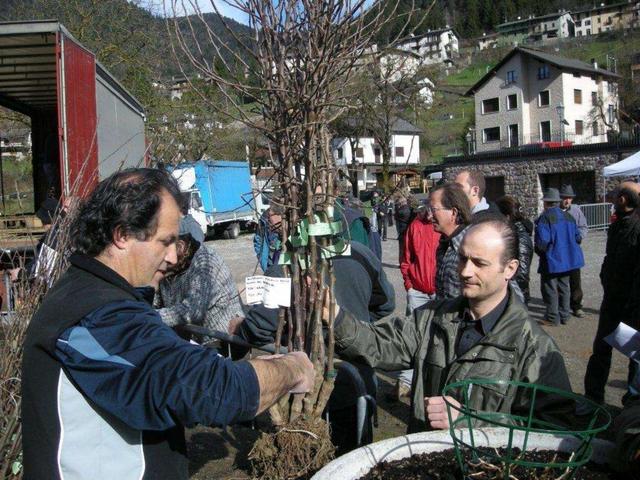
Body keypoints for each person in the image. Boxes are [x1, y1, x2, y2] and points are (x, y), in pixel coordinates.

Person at [21, 168, 314, 480]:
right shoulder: (95, 316)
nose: (174, 256)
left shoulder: (95, 297)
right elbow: (207, 389)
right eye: (166, 241)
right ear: (122, 235)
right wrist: (292, 368)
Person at [333, 219, 573, 433]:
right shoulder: (432, 318)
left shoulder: (536, 349)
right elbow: (379, 344)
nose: (466, 271)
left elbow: (554, 429)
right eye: (462, 258)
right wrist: (335, 317)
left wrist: (471, 422)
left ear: (509, 269)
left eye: (479, 263)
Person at [582, 182, 640, 410]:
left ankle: (632, 406)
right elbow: (610, 259)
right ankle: (593, 397)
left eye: (614, 194)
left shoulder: (636, 227)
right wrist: (606, 279)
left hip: (631, 304)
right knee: (601, 351)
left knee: (635, 356)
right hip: (612, 300)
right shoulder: (617, 226)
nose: (610, 198)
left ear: (623, 199)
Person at [154, 215, 243, 335]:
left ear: (181, 246)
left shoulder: (205, 261)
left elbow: (193, 310)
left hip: (220, 339)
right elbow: (157, 299)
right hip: (189, 337)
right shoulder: (170, 262)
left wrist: (151, 316)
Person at [396, 201, 440, 398]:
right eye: (430, 209)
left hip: (440, 291)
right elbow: (406, 258)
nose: (431, 214)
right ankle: (405, 380)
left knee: (438, 337)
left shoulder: (444, 227)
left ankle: (433, 382)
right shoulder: (415, 226)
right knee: (411, 335)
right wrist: (409, 285)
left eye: (436, 210)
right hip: (418, 291)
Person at [534, 188, 585, 327]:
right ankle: (565, 315)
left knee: (550, 288)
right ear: (557, 202)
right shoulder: (569, 217)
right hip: (568, 260)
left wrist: (539, 251)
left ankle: (552, 317)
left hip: (552, 259)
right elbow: (578, 237)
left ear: (546, 203)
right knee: (564, 288)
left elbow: (543, 241)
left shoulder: (545, 217)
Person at [429, 183, 472, 299]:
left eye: (434, 210)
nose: (429, 216)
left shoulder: (474, 245)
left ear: (453, 212)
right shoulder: (444, 244)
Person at [496, 196, 534, 305]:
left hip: (516, 294)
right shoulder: (511, 232)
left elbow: (522, 272)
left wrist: (516, 295)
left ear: (507, 216)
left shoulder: (520, 236)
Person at [559, 185, 588, 318]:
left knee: (575, 280)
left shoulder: (576, 211)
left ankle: (576, 306)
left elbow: (583, 226)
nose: (567, 200)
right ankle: (563, 307)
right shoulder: (555, 211)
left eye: (569, 198)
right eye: (565, 198)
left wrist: (579, 237)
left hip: (573, 250)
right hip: (559, 251)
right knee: (561, 280)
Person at [254, 205, 283, 272]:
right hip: (271, 267)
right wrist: (265, 267)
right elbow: (258, 242)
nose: (272, 227)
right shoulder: (263, 219)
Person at [394, 195, 412, 263]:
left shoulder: (401, 211)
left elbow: (396, 215)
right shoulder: (409, 209)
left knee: (402, 248)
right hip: (406, 231)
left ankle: (402, 262)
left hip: (402, 231)